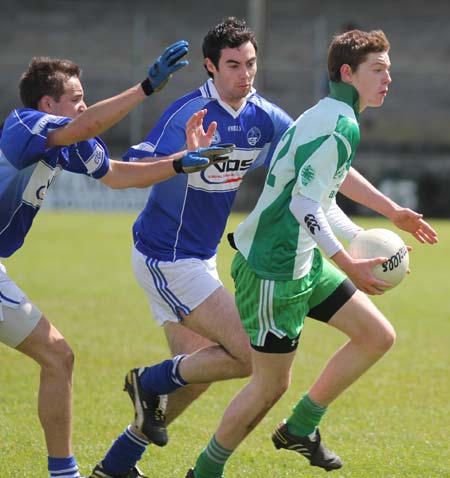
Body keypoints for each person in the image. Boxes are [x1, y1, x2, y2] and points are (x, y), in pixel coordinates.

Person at [185, 29, 438, 478]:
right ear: (347, 73)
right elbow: (303, 205)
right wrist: (348, 264)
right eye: (377, 70)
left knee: (376, 336)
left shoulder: (330, 115)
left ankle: (301, 427)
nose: (387, 80)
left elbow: (323, 196)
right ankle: (203, 472)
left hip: (304, 259)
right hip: (272, 269)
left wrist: (383, 219)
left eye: (389, 70)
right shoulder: (340, 123)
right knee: (268, 387)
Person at [0, 43, 233, 478]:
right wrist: (146, 87)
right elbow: (89, 122)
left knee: (58, 358)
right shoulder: (24, 125)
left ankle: (63, 472)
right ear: (48, 104)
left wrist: (181, 163)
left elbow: (119, 175)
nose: (84, 105)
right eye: (76, 97)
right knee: (57, 357)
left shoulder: (69, 145)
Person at [89, 17, 293, 478]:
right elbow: (131, 168)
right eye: (234, 65)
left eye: (251, 64)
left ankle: (116, 465)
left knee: (200, 373)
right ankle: (148, 380)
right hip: (166, 257)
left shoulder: (264, 116)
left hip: (199, 259)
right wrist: (182, 160)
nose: (246, 74)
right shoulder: (189, 114)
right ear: (210, 67)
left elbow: (310, 150)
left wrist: (387, 209)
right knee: (245, 354)